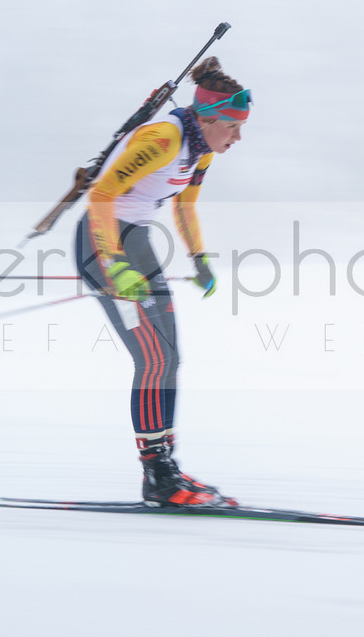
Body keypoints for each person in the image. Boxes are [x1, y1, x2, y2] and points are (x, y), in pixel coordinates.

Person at [74, 56, 250, 507]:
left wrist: (199, 259)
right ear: (209, 117)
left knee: (170, 359)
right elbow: (102, 195)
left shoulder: (202, 149)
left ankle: (164, 468)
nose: (238, 136)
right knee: (153, 360)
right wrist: (114, 265)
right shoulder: (164, 138)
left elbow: (184, 206)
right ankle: (159, 478)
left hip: (136, 244)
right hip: (104, 242)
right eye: (233, 126)